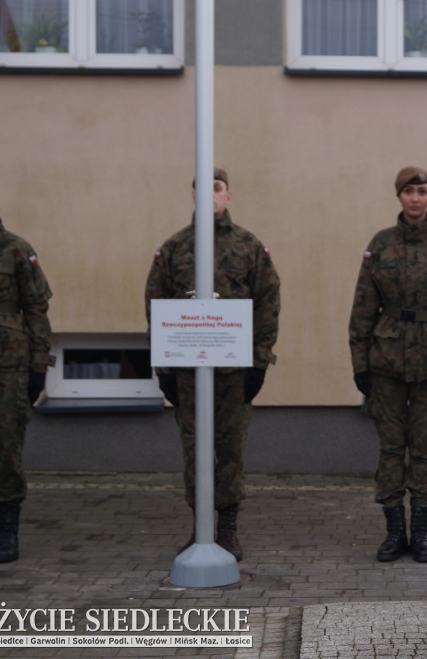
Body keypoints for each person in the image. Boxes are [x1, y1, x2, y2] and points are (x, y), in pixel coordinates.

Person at [145, 168, 280, 561]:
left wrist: (259, 361)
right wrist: (164, 368)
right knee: (195, 450)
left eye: (217, 188)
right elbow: (156, 306)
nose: (210, 195)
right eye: (203, 189)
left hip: (234, 371)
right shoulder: (174, 248)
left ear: (228, 196)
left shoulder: (248, 246)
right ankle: (200, 526)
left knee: (230, 448)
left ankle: (228, 529)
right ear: (193, 196)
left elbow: (268, 303)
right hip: (188, 372)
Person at [349, 167, 427, 563]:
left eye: (422, 191)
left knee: (422, 449)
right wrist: (359, 365)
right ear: (399, 197)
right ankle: (393, 532)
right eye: (408, 191)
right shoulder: (380, 245)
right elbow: (363, 310)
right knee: (390, 448)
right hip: (385, 362)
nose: (415, 198)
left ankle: (420, 532)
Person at [0, 167, 55, 563]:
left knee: (7, 448)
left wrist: (38, 365)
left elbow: (36, 310)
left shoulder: (15, 248)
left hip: (9, 364)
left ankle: (8, 530)